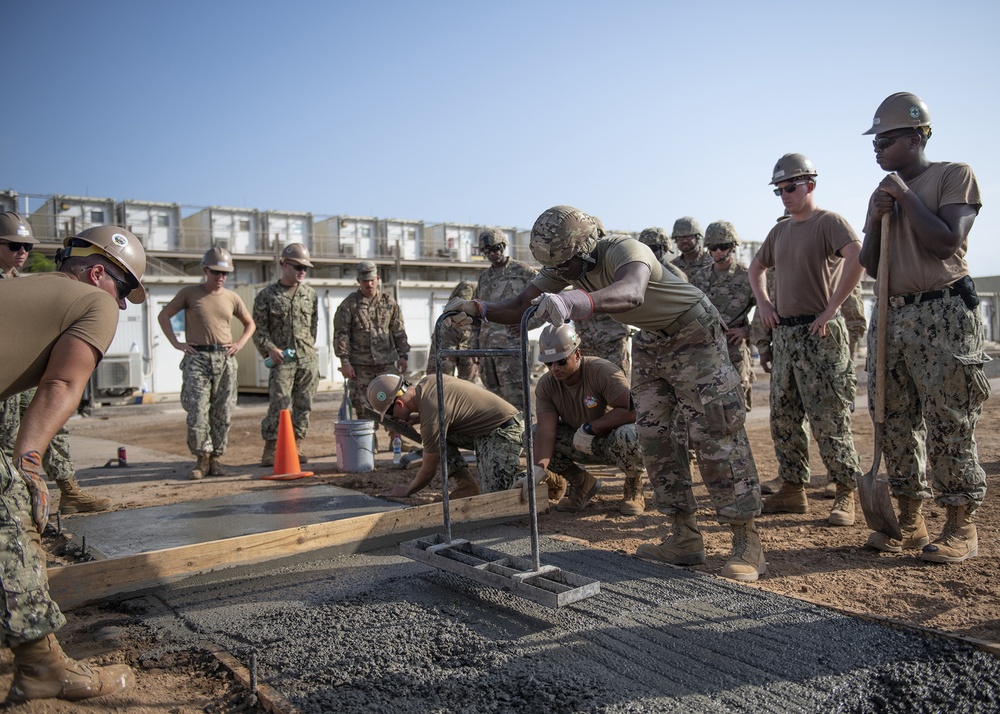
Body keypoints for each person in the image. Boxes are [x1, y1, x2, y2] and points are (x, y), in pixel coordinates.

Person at [446, 205, 765, 582]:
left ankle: (746, 541)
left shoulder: (625, 251)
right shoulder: (564, 263)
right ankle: (684, 537)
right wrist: (478, 308)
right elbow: (518, 307)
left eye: (564, 266)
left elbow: (631, 292)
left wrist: (571, 301)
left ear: (583, 249)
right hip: (653, 343)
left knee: (716, 434)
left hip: (693, 333)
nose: (559, 274)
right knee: (656, 438)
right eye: (555, 268)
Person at [0, 225, 145, 703]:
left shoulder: (17, 290)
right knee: (9, 512)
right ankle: (42, 668)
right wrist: (29, 466)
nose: (121, 305)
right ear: (98, 272)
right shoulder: (94, 303)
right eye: (123, 289)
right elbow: (62, 384)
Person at [859, 92, 987, 563]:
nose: (878, 149)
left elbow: (945, 241)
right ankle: (910, 521)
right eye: (875, 142)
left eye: (887, 140)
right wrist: (875, 219)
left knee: (949, 419)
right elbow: (871, 265)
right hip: (891, 314)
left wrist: (905, 196)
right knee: (891, 419)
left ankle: (960, 525)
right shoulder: (884, 195)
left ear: (916, 137)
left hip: (944, 312)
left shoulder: (953, 175)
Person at [749, 153, 865, 527]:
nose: (784, 194)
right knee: (784, 417)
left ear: (810, 185)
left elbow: (857, 257)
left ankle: (846, 490)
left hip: (821, 333)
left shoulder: (828, 223)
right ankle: (793, 488)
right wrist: (765, 304)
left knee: (829, 417)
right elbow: (756, 267)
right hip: (786, 335)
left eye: (791, 187)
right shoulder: (780, 231)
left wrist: (833, 307)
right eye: (779, 189)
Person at [0, 213, 112, 513]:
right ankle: (16, 504)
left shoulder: (24, 282)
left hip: (26, 376)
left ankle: (66, 488)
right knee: (9, 438)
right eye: (14, 246)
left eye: (27, 247)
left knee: (50, 423)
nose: (22, 253)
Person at [157, 246, 255, 480]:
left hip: (224, 358)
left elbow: (249, 323)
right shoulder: (190, 293)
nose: (220, 278)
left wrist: (240, 343)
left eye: (225, 274)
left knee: (223, 412)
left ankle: (217, 459)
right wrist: (177, 343)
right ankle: (202, 458)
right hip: (198, 358)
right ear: (205, 270)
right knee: (198, 410)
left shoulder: (232, 297)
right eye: (216, 272)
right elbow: (164, 316)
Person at [528, 323, 646, 515]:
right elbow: (546, 430)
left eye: (561, 361)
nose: (555, 368)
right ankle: (582, 483)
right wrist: (538, 469)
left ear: (577, 354)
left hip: (611, 440)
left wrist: (591, 427)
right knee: (532, 434)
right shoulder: (547, 385)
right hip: (579, 442)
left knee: (630, 433)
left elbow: (632, 411)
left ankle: (633, 486)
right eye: (549, 364)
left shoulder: (602, 371)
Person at [367, 373, 524, 499]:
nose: (393, 419)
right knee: (438, 438)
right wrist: (416, 419)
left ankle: (537, 478)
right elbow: (448, 411)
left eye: (391, 414)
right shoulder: (428, 382)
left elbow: (429, 470)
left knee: (497, 499)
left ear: (399, 404)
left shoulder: (431, 414)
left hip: (504, 432)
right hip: (485, 429)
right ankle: (467, 486)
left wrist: (406, 490)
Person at [253, 243, 319, 467]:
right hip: (283, 360)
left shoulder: (310, 295)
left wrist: (308, 349)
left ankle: (296, 445)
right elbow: (259, 331)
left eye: (305, 268)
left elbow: (313, 328)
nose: (302, 272)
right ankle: (271, 447)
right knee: (280, 403)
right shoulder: (267, 296)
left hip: (307, 358)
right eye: (297, 267)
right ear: (284, 265)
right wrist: (270, 349)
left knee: (304, 403)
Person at [333, 261, 410, 444]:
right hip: (361, 365)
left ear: (378, 279)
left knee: (394, 401)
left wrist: (403, 355)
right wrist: (345, 362)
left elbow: (398, 330)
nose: (369, 284)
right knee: (364, 405)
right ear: (358, 281)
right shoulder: (349, 305)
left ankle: (397, 438)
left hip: (386, 363)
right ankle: (368, 441)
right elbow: (341, 334)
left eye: (372, 280)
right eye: (365, 281)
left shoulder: (389, 302)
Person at [690, 221, 756, 410]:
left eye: (724, 246)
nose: (718, 251)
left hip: (733, 350)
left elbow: (766, 309)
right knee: (708, 408)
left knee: (737, 405)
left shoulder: (747, 276)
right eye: (713, 247)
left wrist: (747, 331)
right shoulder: (699, 278)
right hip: (705, 351)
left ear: (733, 247)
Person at [471, 228, 539, 410]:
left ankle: (524, 438)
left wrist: (528, 324)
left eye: (496, 248)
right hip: (487, 352)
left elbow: (547, 300)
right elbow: (476, 313)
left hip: (511, 350)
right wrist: (474, 348)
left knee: (517, 403)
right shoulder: (484, 278)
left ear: (504, 246)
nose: (492, 254)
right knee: (494, 405)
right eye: (487, 251)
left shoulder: (523, 272)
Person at [426, 280, 478, 382]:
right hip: (447, 338)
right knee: (439, 381)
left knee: (469, 383)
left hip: (467, 341)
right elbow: (464, 308)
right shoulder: (469, 287)